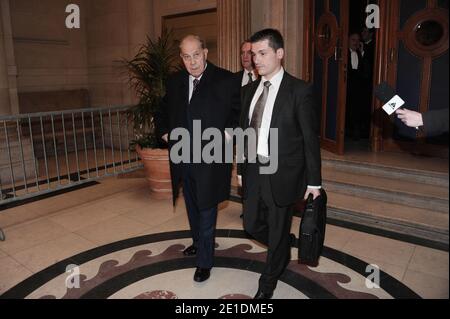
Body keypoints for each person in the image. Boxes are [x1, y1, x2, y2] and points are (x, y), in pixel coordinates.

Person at [238, 29, 322, 299]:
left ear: (279, 53)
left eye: (262, 53)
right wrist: (240, 170)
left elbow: (310, 139)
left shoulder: (299, 90)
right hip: (253, 170)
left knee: (276, 227)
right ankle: (282, 247)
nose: (255, 59)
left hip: (283, 172)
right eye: (253, 54)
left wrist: (314, 182)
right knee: (251, 225)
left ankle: (268, 281)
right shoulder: (249, 90)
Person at [159, 35, 240, 283]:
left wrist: (226, 134)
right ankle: (197, 242)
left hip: (211, 158)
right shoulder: (175, 82)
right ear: (181, 58)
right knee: (192, 206)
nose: (192, 61)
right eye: (186, 56)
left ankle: (205, 261)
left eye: (196, 54)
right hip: (184, 156)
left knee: (206, 208)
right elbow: (162, 109)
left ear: (205, 53)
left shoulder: (226, 80)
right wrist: (164, 131)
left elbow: (238, 114)